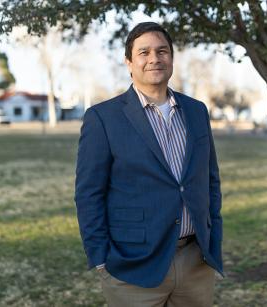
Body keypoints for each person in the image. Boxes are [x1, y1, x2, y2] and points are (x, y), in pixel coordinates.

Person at [75, 21, 223, 307]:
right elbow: (88, 194)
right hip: (133, 266)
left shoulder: (196, 111)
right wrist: (100, 259)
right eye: (144, 52)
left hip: (196, 260)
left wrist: (213, 236)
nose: (154, 58)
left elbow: (210, 180)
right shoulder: (103, 118)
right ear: (129, 62)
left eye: (162, 51)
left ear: (172, 59)